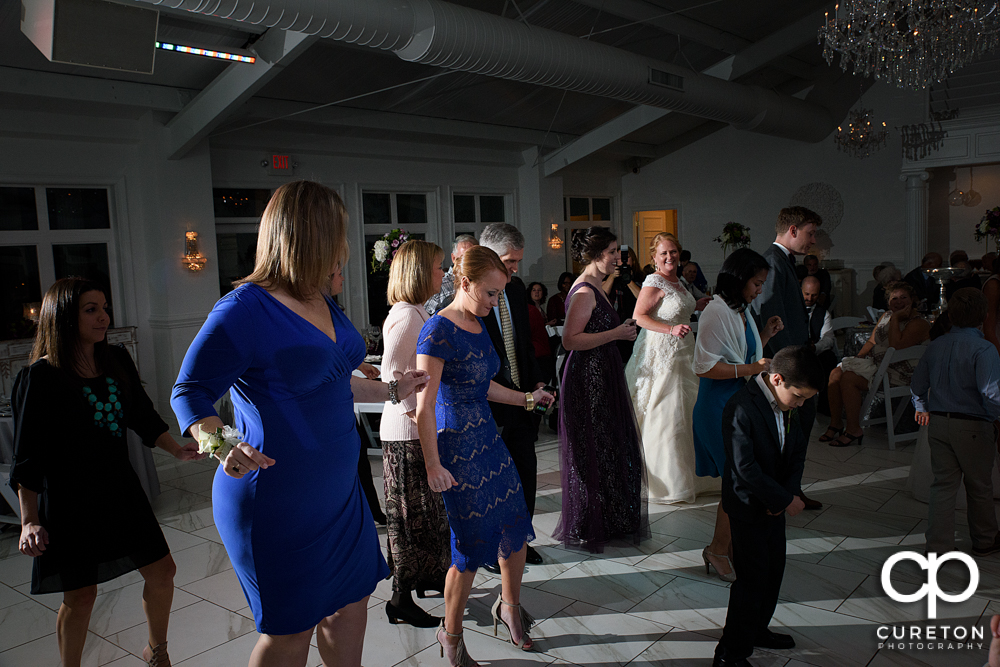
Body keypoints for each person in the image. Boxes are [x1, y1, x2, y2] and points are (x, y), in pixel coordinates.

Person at [171, 181, 429, 667]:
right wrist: (221, 441)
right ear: (310, 237)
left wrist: (395, 389)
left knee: (351, 605)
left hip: (339, 492)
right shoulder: (243, 309)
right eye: (338, 235)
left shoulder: (320, 298)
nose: (345, 249)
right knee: (292, 630)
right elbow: (189, 391)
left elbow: (332, 382)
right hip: (276, 495)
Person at [11, 277, 205, 667]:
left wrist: (176, 447)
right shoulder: (41, 377)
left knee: (163, 571)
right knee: (81, 596)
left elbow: (142, 415)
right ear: (64, 317)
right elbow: (28, 455)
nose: (104, 317)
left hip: (120, 488)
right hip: (69, 500)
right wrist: (28, 521)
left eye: (104, 307)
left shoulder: (115, 359)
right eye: (91, 310)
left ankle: (157, 652)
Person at [415, 245, 553, 666]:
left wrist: (528, 399)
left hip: (489, 443)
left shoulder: (477, 322)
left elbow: (485, 387)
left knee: (514, 527)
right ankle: (451, 636)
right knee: (471, 549)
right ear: (464, 282)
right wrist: (433, 463)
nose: (496, 302)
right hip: (456, 449)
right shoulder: (437, 331)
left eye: (499, 293)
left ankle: (508, 607)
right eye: (491, 293)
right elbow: (424, 405)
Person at [712, 346, 823, 667]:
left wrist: (788, 491)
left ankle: (757, 629)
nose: (802, 404)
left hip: (775, 501)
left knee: (774, 571)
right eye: (799, 397)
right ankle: (729, 653)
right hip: (748, 506)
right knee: (751, 579)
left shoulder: (795, 401)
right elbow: (743, 467)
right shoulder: (740, 407)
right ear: (777, 379)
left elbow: (797, 451)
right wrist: (783, 500)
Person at [555, 226, 648, 552]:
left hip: (601, 375)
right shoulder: (583, 291)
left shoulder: (595, 283)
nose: (617, 258)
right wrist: (616, 334)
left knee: (608, 445)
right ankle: (591, 521)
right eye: (611, 252)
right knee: (594, 448)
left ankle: (610, 517)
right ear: (596, 255)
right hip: (588, 381)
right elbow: (570, 341)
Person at [693, 248, 783, 582]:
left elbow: (739, 353)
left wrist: (765, 336)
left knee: (740, 481)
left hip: (737, 404)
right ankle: (718, 549)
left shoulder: (740, 310)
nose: (760, 289)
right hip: (717, 406)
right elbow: (705, 367)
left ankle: (724, 547)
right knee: (738, 482)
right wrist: (752, 367)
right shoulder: (715, 311)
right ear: (740, 278)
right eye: (756, 283)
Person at [380, 240, 451, 627]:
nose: (443, 275)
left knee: (426, 512)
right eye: (438, 267)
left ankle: (428, 577)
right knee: (410, 516)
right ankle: (399, 599)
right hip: (405, 432)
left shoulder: (416, 310)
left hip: (413, 428)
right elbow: (392, 371)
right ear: (420, 272)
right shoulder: (408, 315)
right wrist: (418, 415)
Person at [625, 233, 714, 504]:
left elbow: (677, 309)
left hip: (684, 351)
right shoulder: (654, 281)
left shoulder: (679, 280)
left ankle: (695, 476)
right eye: (663, 253)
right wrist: (670, 328)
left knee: (689, 410)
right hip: (662, 351)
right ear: (654, 257)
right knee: (666, 411)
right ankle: (667, 482)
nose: (669, 257)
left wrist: (696, 305)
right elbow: (639, 317)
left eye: (673, 252)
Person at [910, 288, 1000, 556]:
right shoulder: (984, 348)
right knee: (979, 486)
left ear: (950, 315)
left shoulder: (936, 344)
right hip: (973, 425)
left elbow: (917, 384)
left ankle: (937, 546)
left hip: (938, 423)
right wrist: (996, 419)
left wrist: (921, 406)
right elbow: (991, 393)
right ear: (984, 316)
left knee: (943, 486)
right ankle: (984, 539)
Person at [479, 223, 545, 568]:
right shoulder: (472, 298)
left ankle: (520, 540)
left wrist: (534, 383)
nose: (515, 268)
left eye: (517, 261)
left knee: (526, 473)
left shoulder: (516, 290)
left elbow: (523, 347)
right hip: (489, 404)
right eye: (509, 260)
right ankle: (493, 546)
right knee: (492, 481)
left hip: (521, 399)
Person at [754, 206, 823, 510]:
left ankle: (791, 489)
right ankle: (786, 492)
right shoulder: (772, 261)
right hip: (788, 365)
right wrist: (792, 366)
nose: (813, 241)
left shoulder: (782, 260)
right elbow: (772, 316)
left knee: (797, 431)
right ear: (793, 230)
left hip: (794, 359)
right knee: (791, 431)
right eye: (810, 233)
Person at [821, 281, 930, 447]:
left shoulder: (918, 323)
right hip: (879, 367)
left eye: (903, 298)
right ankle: (836, 423)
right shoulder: (886, 316)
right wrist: (859, 358)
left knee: (849, 379)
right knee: (836, 373)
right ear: (888, 302)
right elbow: (872, 341)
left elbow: (896, 346)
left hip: (900, 373)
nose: (899, 302)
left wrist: (896, 319)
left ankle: (853, 429)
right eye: (894, 299)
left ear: (912, 300)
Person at [604, 245, 643, 363]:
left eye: (626, 257)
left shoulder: (640, 278)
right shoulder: (609, 277)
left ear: (633, 260)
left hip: (636, 325)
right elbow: (601, 295)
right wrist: (612, 277)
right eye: (619, 258)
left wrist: (628, 280)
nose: (622, 261)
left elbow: (643, 298)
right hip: (615, 326)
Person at [425, 234, 477, 315]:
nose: (468, 263)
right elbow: (428, 319)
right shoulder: (440, 283)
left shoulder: (482, 282)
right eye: (463, 258)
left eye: (473, 259)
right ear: (453, 258)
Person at [526, 281, 556, 385]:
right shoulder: (530, 309)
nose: (536, 292)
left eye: (539, 290)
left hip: (543, 347)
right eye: (534, 290)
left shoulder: (540, 308)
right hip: (537, 350)